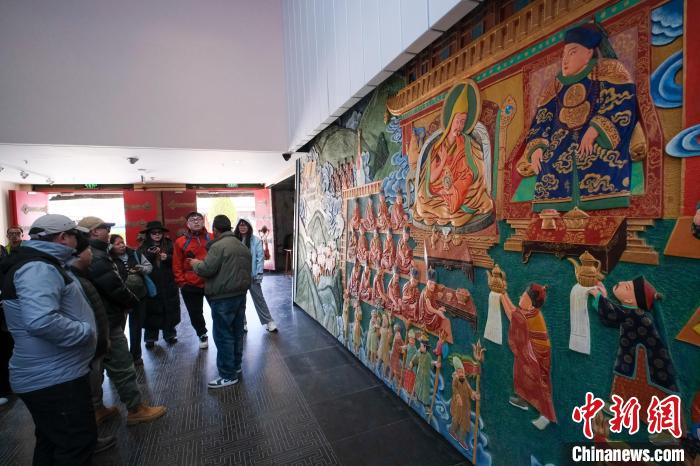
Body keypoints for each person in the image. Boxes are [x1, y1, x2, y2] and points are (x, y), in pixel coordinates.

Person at [0, 214, 99, 464]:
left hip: (52, 373)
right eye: (75, 235)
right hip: (55, 378)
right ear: (63, 237)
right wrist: (85, 331)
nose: (79, 241)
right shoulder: (37, 268)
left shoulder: (42, 263)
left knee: (52, 442)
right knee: (75, 444)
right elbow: (41, 320)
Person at [516, 23, 641, 212]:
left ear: (588, 53)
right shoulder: (554, 86)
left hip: (598, 143)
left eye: (572, 53)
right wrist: (537, 147)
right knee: (548, 163)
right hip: (560, 147)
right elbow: (541, 120)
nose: (565, 60)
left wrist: (595, 130)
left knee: (599, 156)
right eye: (563, 55)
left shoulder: (609, 70)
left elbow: (621, 102)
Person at [78, 216, 166, 426]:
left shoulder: (90, 252)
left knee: (97, 366)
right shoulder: (97, 256)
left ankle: (96, 408)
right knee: (121, 364)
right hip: (107, 318)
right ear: (93, 232)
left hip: (97, 317)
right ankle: (136, 409)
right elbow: (114, 287)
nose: (108, 232)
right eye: (104, 228)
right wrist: (131, 301)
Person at [413, 81, 494, 227]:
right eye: (458, 121)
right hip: (439, 192)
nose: (460, 126)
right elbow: (431, 178)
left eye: (463, 122)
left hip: (459, 191)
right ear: (451, 120)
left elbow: (474, 172)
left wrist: (455, 188)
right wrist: (443, 161)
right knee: (420, 202)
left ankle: (452, 205)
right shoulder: (437, 147)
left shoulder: (468, 144)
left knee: (460, 200)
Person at [191, 215, 251, 388]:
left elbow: (206, 269)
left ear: (215, 230)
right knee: (237, 333)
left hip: (223, 297)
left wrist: (195, 263)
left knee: (223, 335)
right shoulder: (241, 245)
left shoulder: (218, 246)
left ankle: (227, 374)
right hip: (240, 295)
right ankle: (236, 366)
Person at [70, 233, 117, 454]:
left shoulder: (80, 274)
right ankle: (86, 443)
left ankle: (96, 414)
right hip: (87, 340)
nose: (91, 253)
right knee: (87, 384)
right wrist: (87, 333)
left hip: (95, 336)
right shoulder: (74, 277)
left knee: (94, 378)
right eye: (87, 250)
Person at [500, 283, 556, 430]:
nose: (520, 297)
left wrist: (502, 294)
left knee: (538, 380)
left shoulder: (530, 315)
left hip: (537, 353)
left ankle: (546, 415)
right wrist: (503, 293)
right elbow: (514, 312)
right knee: (521, 372)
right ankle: (523, 399)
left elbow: (511, 314)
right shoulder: (528, 311)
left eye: (523, 296)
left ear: (531, 303)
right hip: (529, 349)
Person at [109, 234, 152, 365]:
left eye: (122, 242)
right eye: (117, 244)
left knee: (136, 327)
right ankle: (120, 358)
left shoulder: (135, 253)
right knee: (119, 329)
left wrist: (141, 268)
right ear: (111, 246)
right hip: (120, 298)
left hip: (139, 295)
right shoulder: (108, 258)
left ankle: (136, 355)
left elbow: (149, 267)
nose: (122, 245)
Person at [138, 221, 181, 346]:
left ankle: (170, 334)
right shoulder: (143, 247)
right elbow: (139, 263)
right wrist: (150, 255)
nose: (157, 235)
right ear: (148, 234)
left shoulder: (169, 245)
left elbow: (178, 260)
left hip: (168, 283)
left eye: (159, 232)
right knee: (151, 311)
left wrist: (167, 258)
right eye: (153, 233)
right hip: (152, 284)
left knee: (169, 309)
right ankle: (150, 338)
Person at [173, 212, 210, 349]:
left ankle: (222, 333)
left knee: (219, 309)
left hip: (211, 281)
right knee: (195, 313)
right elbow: (177, 263)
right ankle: (202, 334)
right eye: (192, 220)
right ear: (187, 224)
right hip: (190, 283)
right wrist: (182, 282)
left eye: (198, 219)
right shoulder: (180, 241)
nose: (196, 222)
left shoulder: (212, 237)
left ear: (203, 221)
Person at [233, 219, 278, 332]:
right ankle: (242, 323)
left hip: (252, 276)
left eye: (245, 225)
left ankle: (269, 321)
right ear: (238, 227)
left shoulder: (256, 240)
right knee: (240, 301)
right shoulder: (234, 240)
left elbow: (260, 258)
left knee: (259, 299)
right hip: (238, 276)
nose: (243, 227)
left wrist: (259, 273)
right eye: (240, 225)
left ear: (249, 227)